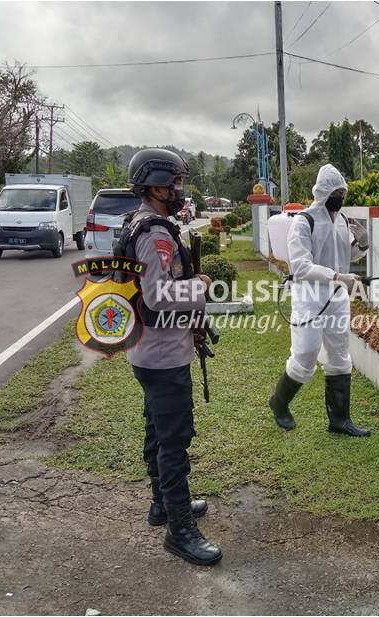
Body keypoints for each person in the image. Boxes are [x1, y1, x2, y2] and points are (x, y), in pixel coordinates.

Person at [123, 148, 222, 566]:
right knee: (174, 440)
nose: (180, 190)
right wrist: (199, 284)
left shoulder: (138, 223)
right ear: (155, 185)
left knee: (157, 429)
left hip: (148, 348)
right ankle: (180, 531)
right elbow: (158, 295)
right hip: (162, 353)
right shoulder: (156, 234)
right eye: (175, 183)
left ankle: (163, 505)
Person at [268, 164, 371, 437]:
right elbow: (301, 266)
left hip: (337, 297)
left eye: (343, 192)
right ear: (324, 191)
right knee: (305, 354)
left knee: (339, 354)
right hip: (309, 298)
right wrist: (338, 275)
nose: (341, 197)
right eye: (337, 192)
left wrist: (361, 244)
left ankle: (340, 421)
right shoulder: (304, 221)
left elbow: (344, 257)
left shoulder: (341, 219)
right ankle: (279, 403)